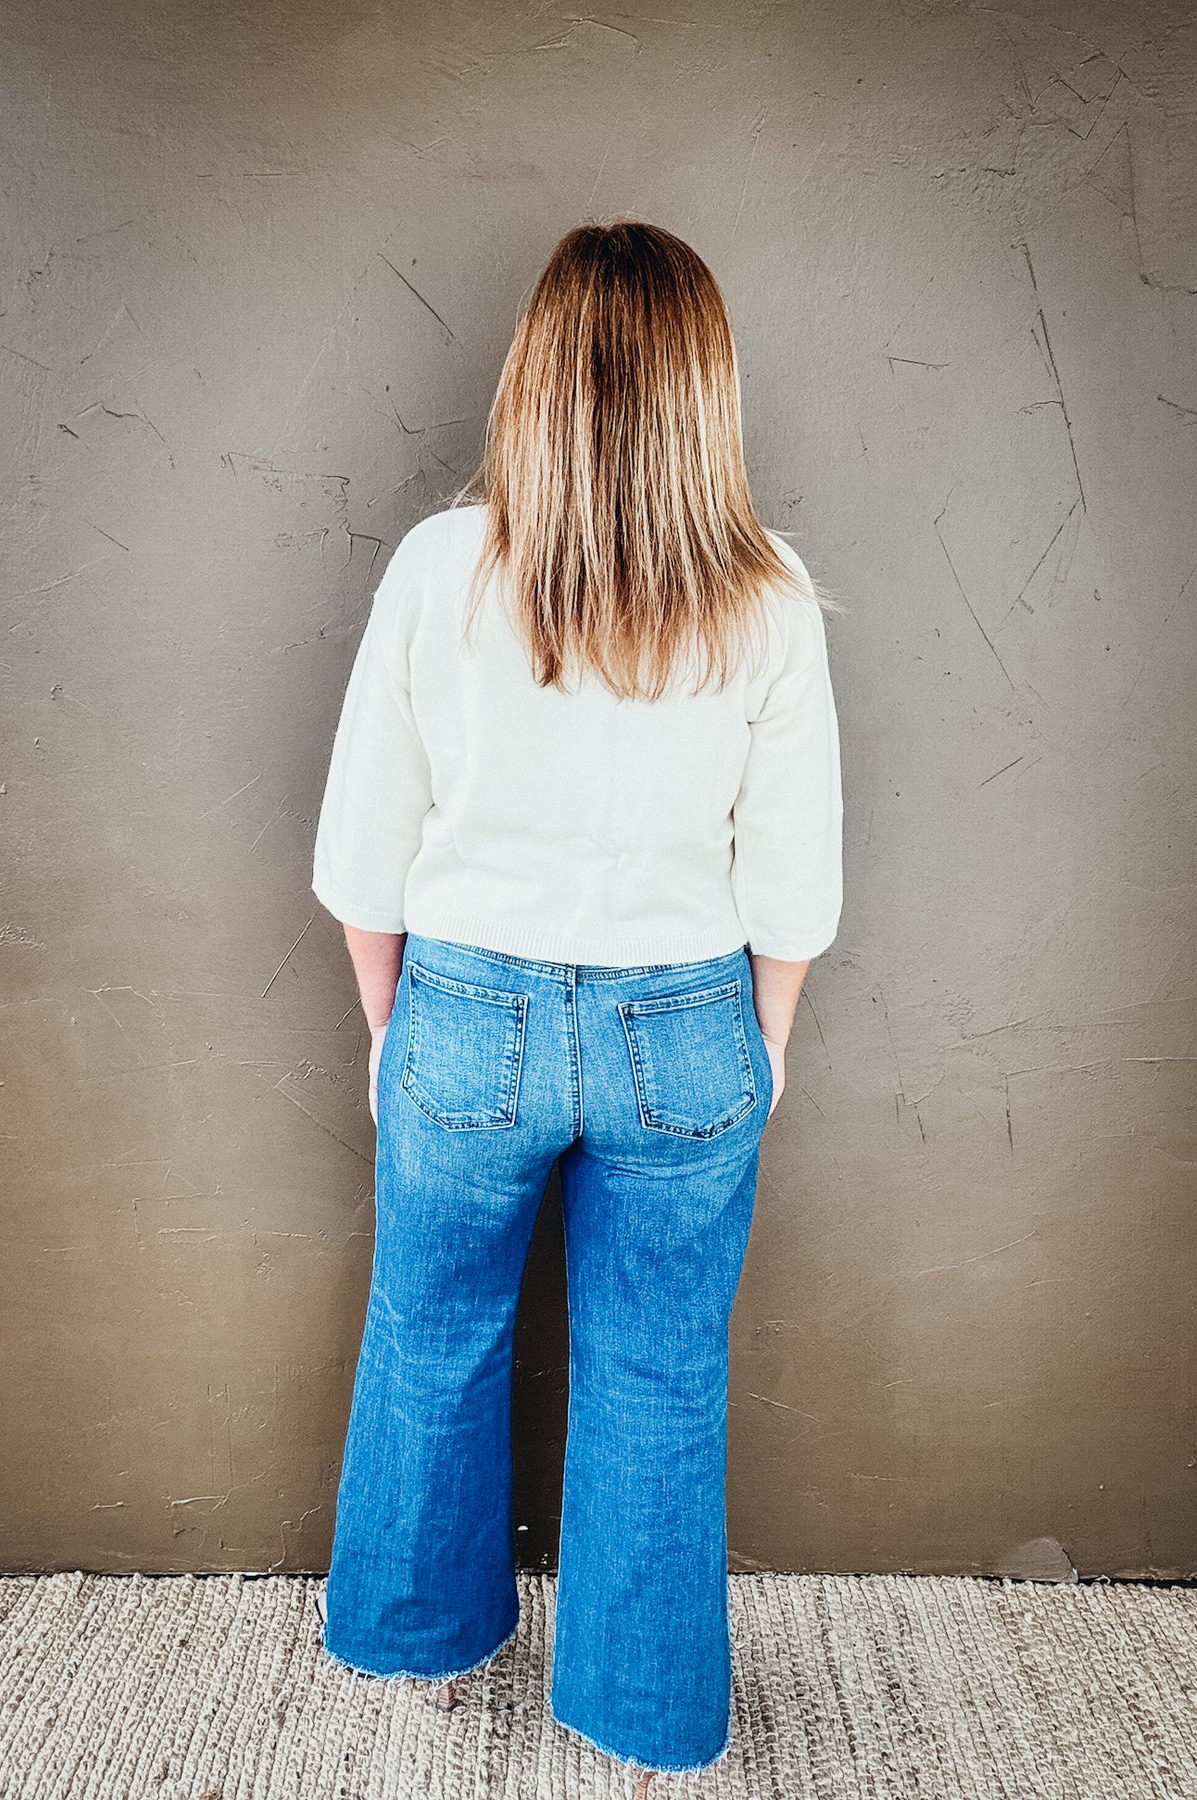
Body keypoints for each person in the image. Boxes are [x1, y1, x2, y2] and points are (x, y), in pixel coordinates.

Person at [309, 219, 845, 1796]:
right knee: (662, 1368)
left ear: (533, 380)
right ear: (706, 394)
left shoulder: (435, 569)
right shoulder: (773, 595)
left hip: (464, 1009)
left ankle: (410, 1647)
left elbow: (362, 857)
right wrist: (772, 1048)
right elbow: (793, 890)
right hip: (688, 1022)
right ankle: (643, 1718)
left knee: (431, 1332)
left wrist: (388, 1034)